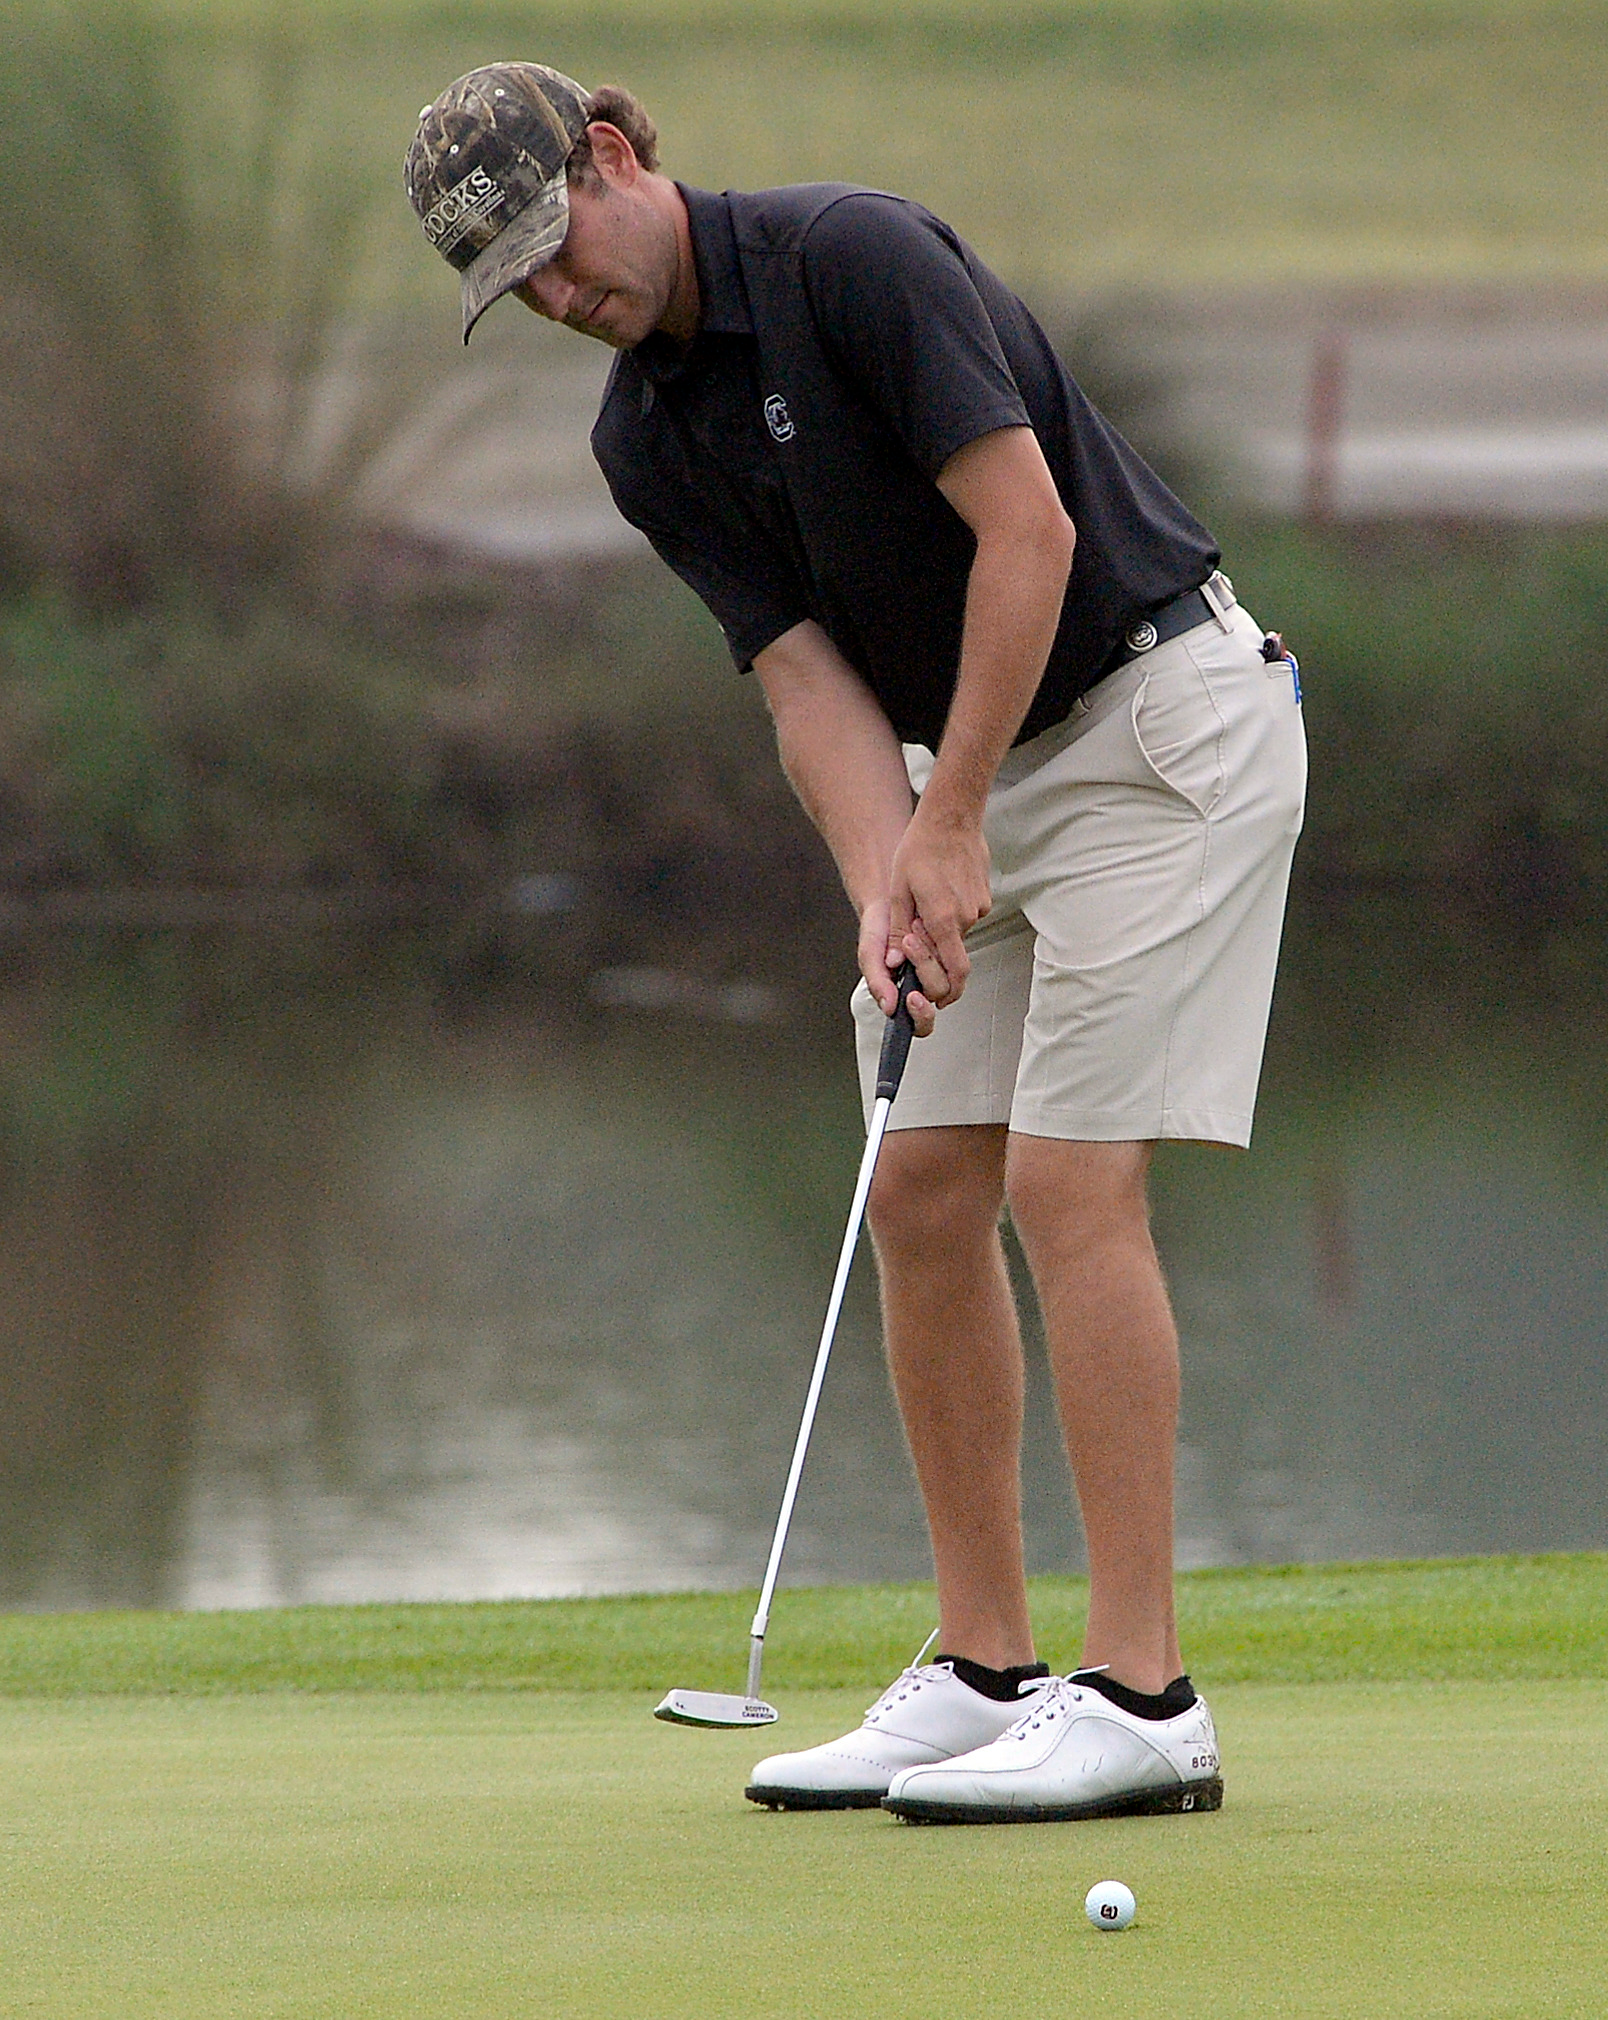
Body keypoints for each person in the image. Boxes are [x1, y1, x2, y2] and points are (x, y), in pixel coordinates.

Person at [406, 63, 1305, 1825]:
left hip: (1154, 728)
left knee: (1066, 1182)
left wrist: (950, 816)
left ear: (611, 159)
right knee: (917, 1184)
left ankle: (1144, 1696)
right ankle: (984, 1672)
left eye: (554, 251)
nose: (554, 300)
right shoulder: (639, 438)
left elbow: (1027, 535)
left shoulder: (849, 259)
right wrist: (886, 882)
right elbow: (806, 684)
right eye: (513, 290)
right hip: (973, 767)